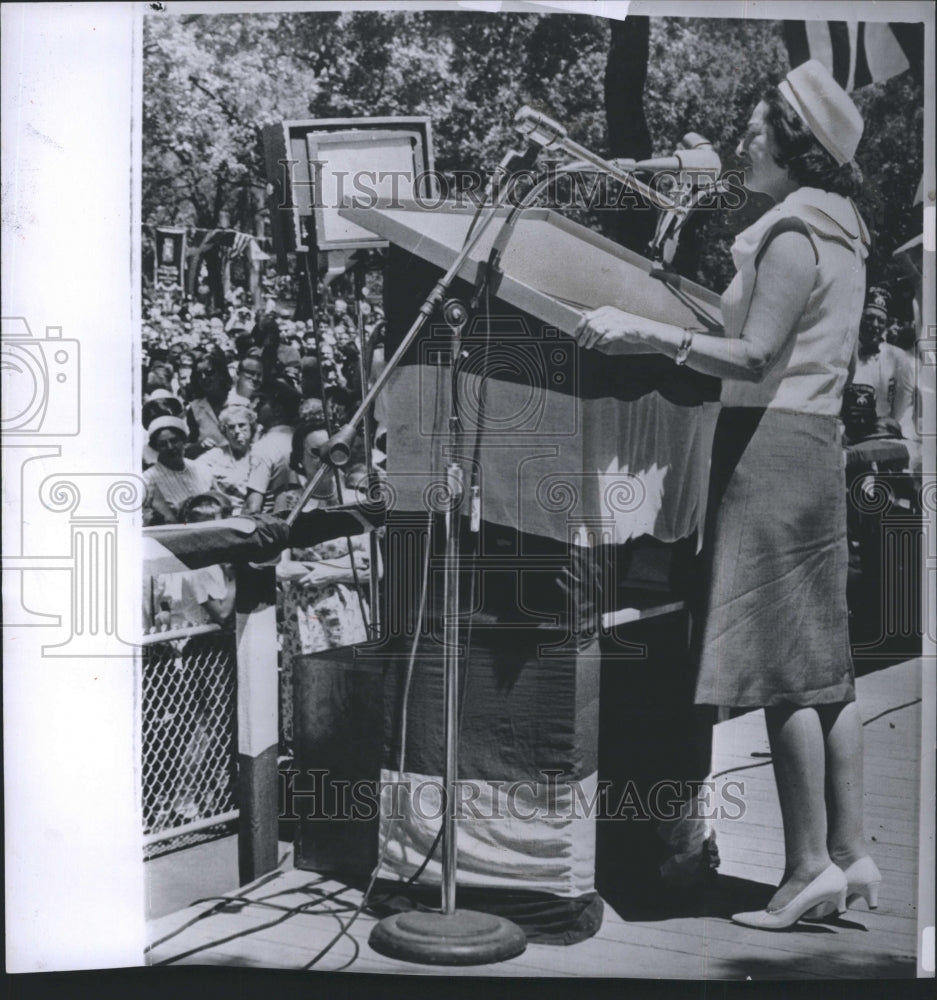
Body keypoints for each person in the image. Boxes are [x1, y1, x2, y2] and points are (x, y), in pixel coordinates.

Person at [573, 60, 879, 929]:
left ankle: (803, 869)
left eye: (753, 129)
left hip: (767, 450)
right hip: (813, 448)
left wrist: (643, 330)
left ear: (794, 142)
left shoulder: (791, 231)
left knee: (781, 672)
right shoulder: (844, 226)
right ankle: (853, 855)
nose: (740, 141)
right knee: (826, 671)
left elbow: (751, 358)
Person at [143, 416, 219, 525]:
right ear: (156, 448)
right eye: (163, 444)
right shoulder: (148, 479)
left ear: (184, 441)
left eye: (174, 441)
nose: (170, 447)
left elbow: (221, 501)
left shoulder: (201, 468)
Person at [242, 379, 302, 514]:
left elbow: (252, 507)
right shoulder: (304, 439)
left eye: (262, 403)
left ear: (276, 410)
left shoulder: (265, 446)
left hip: (274, 524)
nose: (256, 407)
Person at [194, 403, 256, 513]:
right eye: (231, 427)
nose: (237, 431)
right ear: (224, 431)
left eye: (242, 425)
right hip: (226, 514)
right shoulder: (215, 456)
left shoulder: (260, 453)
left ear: (251, 427)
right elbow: (193, 472)